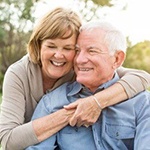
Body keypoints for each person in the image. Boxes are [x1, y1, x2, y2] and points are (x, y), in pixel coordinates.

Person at [0, 7, 150, 150]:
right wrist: (72, 112)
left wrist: (96, 102)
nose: (59, 55)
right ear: (38, 46)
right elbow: (7, 139)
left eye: (69, 48)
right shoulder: (28, 82)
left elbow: (142, 77)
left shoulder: (140, 102)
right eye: (51, 46)